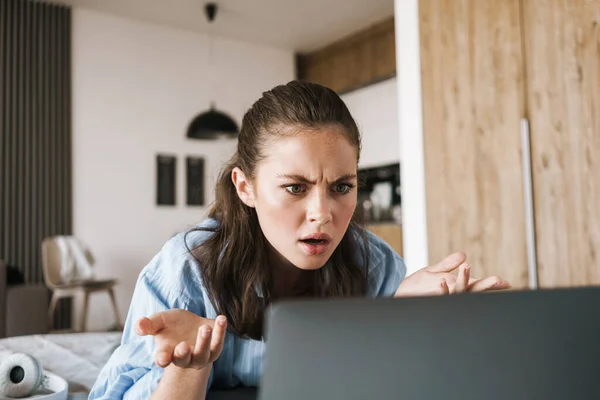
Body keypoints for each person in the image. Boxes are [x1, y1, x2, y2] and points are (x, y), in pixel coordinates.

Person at [88, 81, 511, 400]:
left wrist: (412, 330)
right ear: (245, 187)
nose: (322, 213)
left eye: (342, 187)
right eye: (295, 188)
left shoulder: (376, 265)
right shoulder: (186, 268)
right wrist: (190, 366)